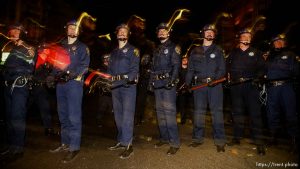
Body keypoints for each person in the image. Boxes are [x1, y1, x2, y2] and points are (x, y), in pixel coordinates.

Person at [49, 20, 90, 163]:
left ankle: (74, 147)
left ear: (78, 32)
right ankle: (65, 143)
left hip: (74, 85)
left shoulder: (82, 47)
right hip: (60, 85)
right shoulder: (61, 46)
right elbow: (56, 64)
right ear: (66, 30)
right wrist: (51, 75)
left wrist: (73, 74)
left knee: (73, 116)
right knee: (62, 115)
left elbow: (85, 66)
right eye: (70, 28)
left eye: (75, 28)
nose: (72, 30)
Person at [185, 24, 226, 152]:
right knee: (199, 112)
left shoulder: (218, 50)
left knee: (217, 113)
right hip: (199, 86)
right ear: (203, 33)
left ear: (214, 35)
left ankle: (219, 141)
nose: (209, 34)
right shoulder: (195, 50)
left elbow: (222, 69)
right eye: (207, 31)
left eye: (212, 32)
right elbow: (190, 69)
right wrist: (187, 84)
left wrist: (215, 80)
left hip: (215, 86)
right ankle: (197, 138)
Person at [226, 28, 266, 155]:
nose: (246, 37)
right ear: (240, 37)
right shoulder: (233, 53)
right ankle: (237, 138)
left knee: (255, 114)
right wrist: (229, 78)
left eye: (249, 36)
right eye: (244, 35)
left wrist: (257, 78)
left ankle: (258, 141)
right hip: (236, 86)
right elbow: (227, 67)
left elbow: (262, 69)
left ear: (251, 38)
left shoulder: (257, 53)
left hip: (251, 86)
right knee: (237, 113)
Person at [1, 23, 35, 161]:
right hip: (6, 85)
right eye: (12, 30)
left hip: (19, 86)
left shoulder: (28, 47)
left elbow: (30, 66)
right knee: (8, 117)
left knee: (17, 117)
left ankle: (18, 148)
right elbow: (3, 65)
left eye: (17, 30)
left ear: (22, 33)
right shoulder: (6, 47)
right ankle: (10, 145)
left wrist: (24, 48)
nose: (13, 32)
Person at [107, 24, 140, 159]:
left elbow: (134, 70)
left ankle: (128, 145)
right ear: (117, 34)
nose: (122, 33)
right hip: (115, 87)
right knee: (118, 116)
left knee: (127, 116)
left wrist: (126, 79)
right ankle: (121, 140)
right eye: (120, 31)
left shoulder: (133, 50)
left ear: (128, 34)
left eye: (124, 31)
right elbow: (109, 70)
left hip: (128, 87)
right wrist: (108, 80)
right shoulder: (114, 52)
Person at [149, 23, 181, 155]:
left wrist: (172, 81)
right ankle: (164, 137)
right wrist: (150, 83)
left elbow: (176, 65)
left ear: (169, 33)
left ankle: (174, 143)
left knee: (169, 112)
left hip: (168, 83)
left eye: (164, 31)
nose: (162, 32)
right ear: (157, 34)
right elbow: (153, 68)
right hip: (157, 84)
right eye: (160, 31)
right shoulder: (156, 49)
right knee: (160, 112)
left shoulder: (174, 47)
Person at [265, 34, 299, 152]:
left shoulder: (291, 55)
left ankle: (293, 141)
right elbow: (263, 71)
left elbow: (296, 71)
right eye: (276, 41)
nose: (278, 43)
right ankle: (273, 138)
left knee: (290, 114)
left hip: (286, 87)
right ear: (272, 44)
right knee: (272, 113)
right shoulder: (268, 56)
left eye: (281, 41)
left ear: (285, 43)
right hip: (272, 88)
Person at [127, 15, 155, 126]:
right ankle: (128, 116)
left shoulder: (148, 43)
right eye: (138, 22)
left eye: (143, 23)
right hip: (129, 73)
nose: (141, 24)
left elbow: (151, 57)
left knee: (140, 98)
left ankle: (137, 117)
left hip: (142, 74)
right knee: (129, 96)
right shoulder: (128, 40)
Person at [176, 56, 193, 124]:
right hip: (179, 90)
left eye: (186, 60)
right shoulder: (178, 69)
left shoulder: (189, 70)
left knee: (186, 105)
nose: (185, 61)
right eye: (183, 60)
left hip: (186, 90)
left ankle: (187, 119)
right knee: (179, 105)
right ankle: (180, 119)